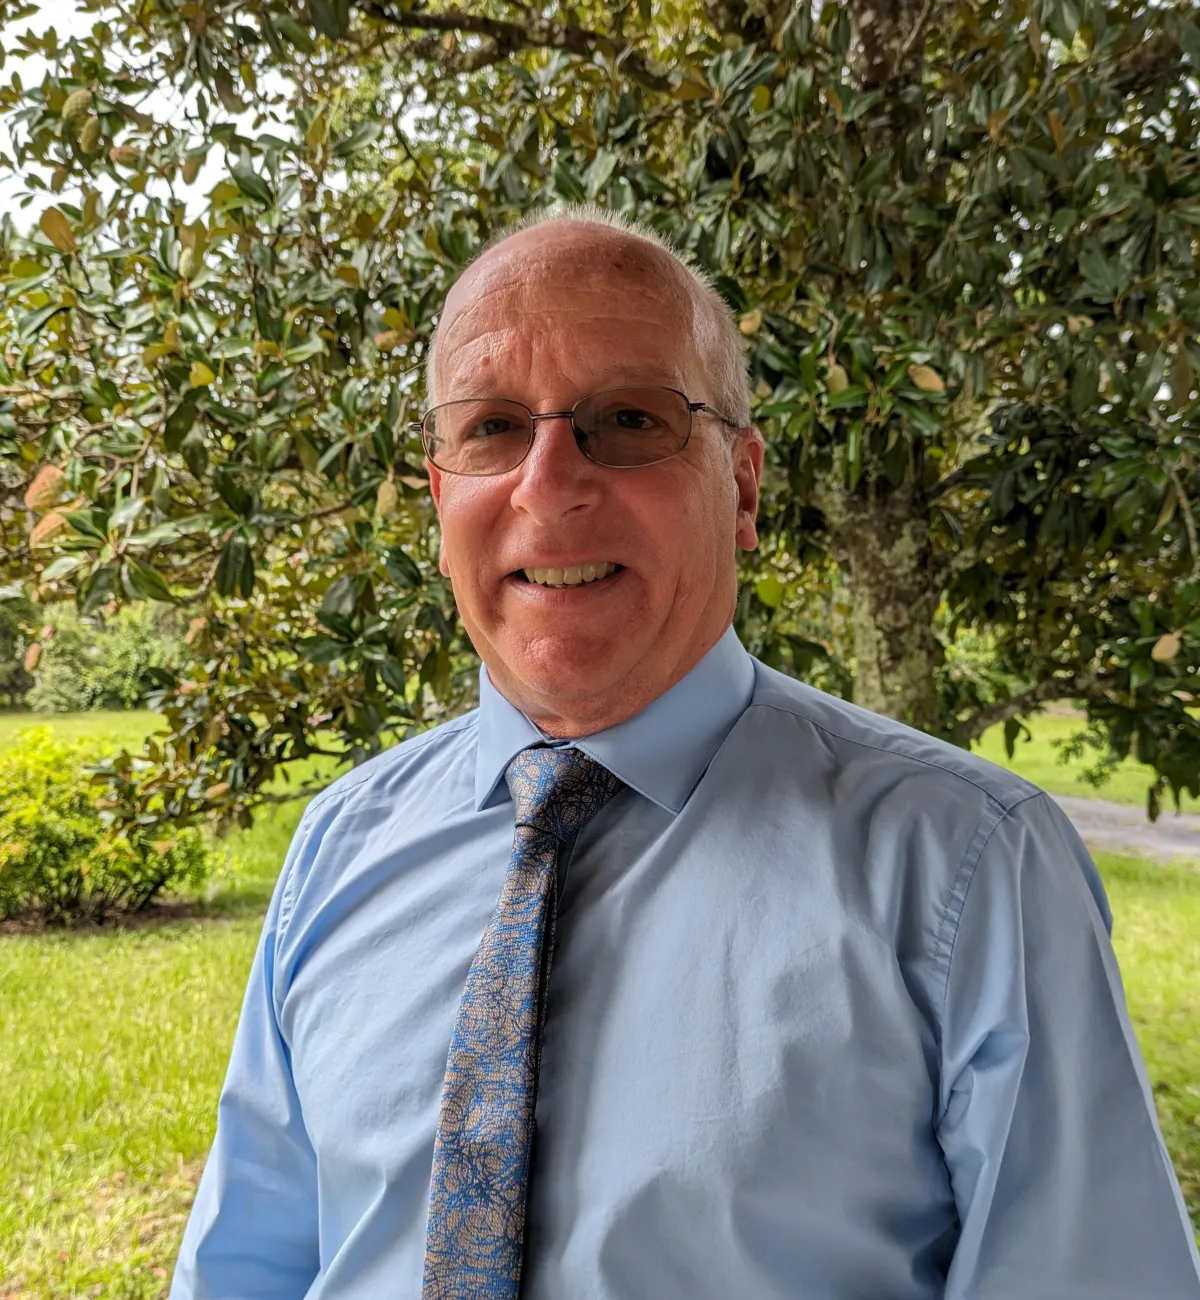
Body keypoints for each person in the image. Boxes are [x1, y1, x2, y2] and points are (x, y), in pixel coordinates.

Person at [171, 205, 1200, 1300]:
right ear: (439, 497)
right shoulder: (341, 844)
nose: (547, 483)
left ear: (742, 486)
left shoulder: (967, 868)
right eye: (492, 428)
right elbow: (246, 1271)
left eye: (628, 418)